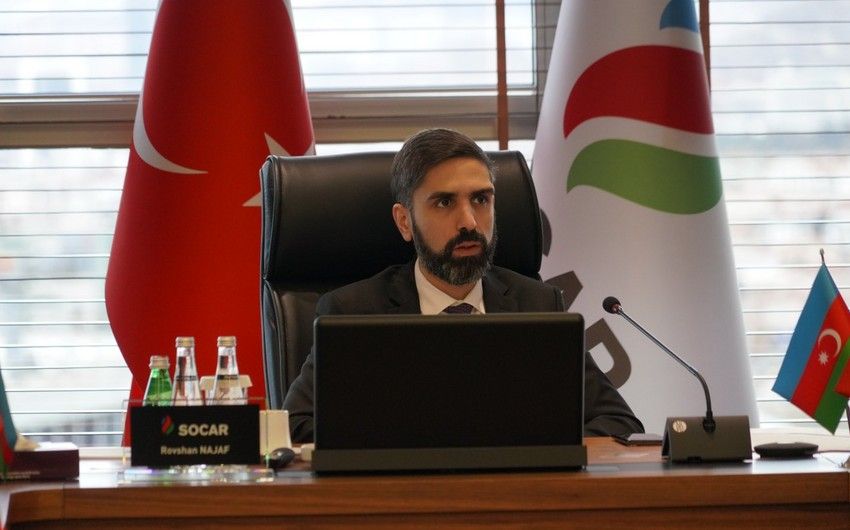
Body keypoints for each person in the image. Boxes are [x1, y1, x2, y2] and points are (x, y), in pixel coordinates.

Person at [283, 128, 644, 442]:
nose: (469, 222)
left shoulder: (538, 304)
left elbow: (619, 422)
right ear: (405, 221)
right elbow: (295, 427)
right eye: (444, 202)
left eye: (481, 199)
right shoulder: (354, 312)